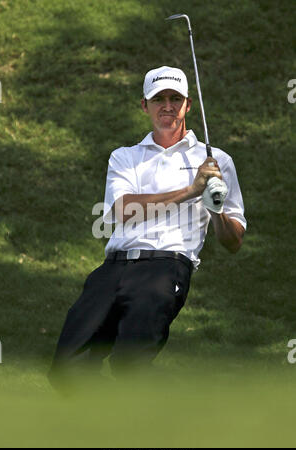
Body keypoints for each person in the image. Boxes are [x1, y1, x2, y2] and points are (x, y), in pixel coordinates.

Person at [49, 66, 246, 384]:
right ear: (145, 105)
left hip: (164, 269)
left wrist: (215, 208)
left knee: (131, 365)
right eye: (158, 99)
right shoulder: (125, 157)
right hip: (112, 269)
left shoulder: (217, 161)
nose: (167, 106)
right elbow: (123, 209)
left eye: (175, 98)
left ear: (188, 105)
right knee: (66, 369)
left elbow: (233, 240)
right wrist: (191, 191)